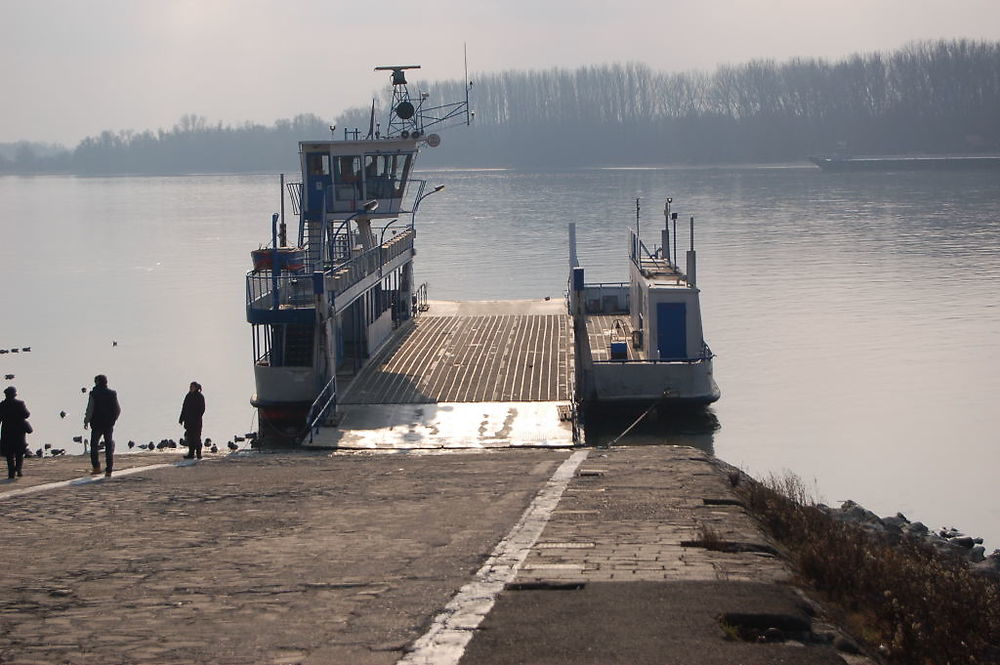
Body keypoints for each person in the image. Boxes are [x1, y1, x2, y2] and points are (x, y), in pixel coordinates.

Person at [84, 374, 121, 477]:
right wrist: (113, 420)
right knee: (109, 446)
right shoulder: (112, 394)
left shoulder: (94, 394)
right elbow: (117, 410)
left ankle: (96, 467)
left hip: (96, 424)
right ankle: (109, 469)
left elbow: (90, 409)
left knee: (94, 445)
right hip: (108, 424)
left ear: (97, 382)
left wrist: (86, 421)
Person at [0, 386, 30, 480]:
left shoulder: (2, 405)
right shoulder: (19, 404)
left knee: (9, 453)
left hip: (6, 431)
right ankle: (19, 469)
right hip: (19, 431)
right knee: (19, 452)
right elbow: (26, 414)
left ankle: (11, 472)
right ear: (14, 394)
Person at [179, 381, 205, 459]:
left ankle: (199, 454)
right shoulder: (188, 396)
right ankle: (191, 454)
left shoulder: (200, 396)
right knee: (190, 438)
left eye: (192, 386)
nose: (191, 388)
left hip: (197, 422)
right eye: (190, 386)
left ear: (196, 387)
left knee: (196, 438)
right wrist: (181, 418)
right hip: (188, 421)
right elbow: (184, 408)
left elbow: (202, 409)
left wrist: (197, 418)